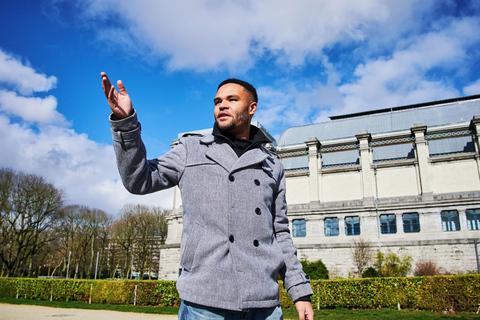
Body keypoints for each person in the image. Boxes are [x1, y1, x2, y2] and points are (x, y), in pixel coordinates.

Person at [101, 72, 314, 320]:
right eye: (217, 101)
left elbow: (280, 233)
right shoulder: (191, 149)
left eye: (232, 99)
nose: (222, 105)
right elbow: (139, 179)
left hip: (264, 304)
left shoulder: (272, 164)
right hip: (205, 303)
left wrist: (300, 292)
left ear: (252, 108)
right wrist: (125, 121)